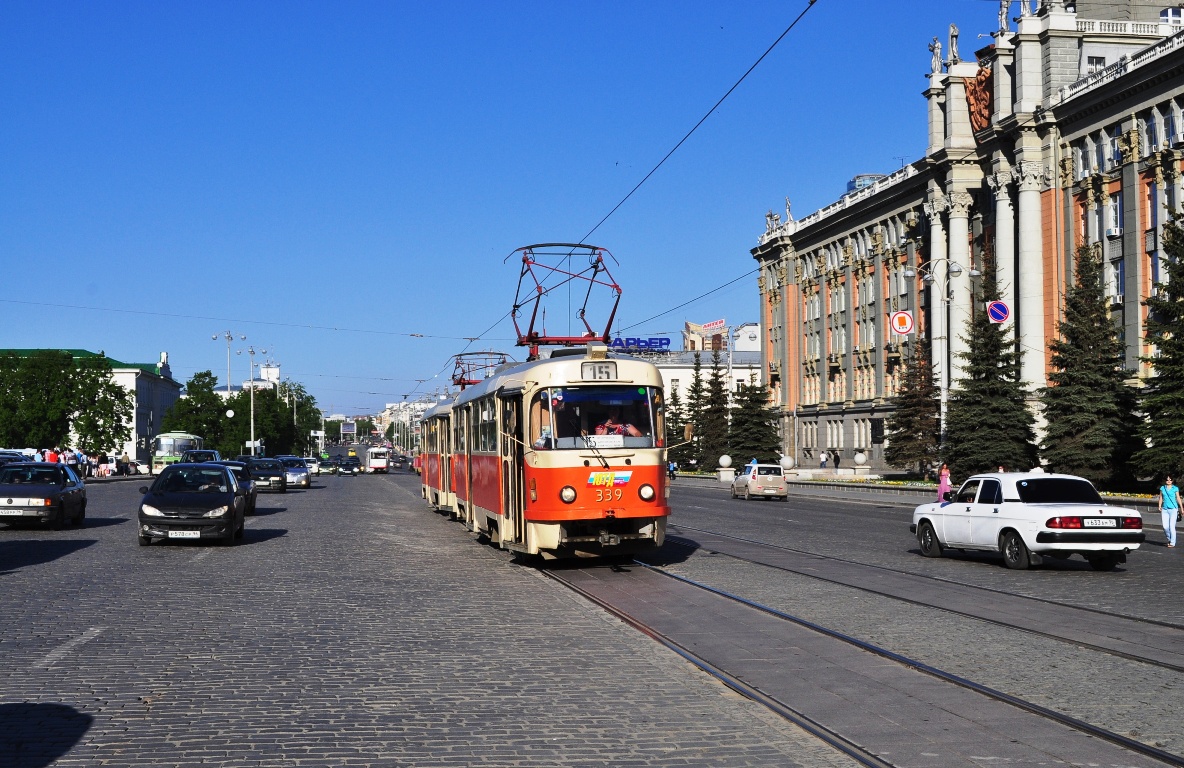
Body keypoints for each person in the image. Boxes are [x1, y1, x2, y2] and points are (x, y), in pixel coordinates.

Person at [1159, 476, 1180, 548]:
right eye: (1167, 480)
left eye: (1170, 480)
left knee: (1171, 526)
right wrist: (1159, 505)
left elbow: (1178, 498)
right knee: (1165, 527)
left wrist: (1182, 508)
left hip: (1173, 509)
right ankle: (1169, 539)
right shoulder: (1162, 488)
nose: (1169, 481)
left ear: (1172, 481)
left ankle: (1172, 542)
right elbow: (1161, 497)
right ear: (1165, 481)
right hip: (1164, 509)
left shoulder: (1175, 488)